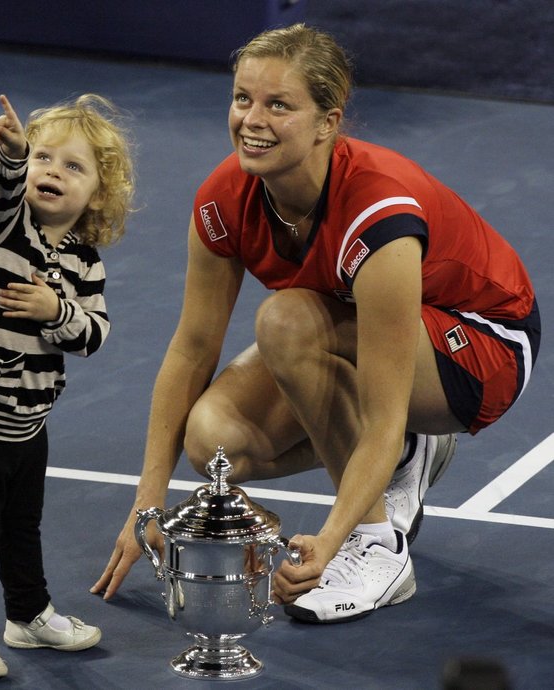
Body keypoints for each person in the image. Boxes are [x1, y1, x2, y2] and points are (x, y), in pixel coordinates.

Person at [92, 23, 539, 625]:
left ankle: (382, 548)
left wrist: (331, 541)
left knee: (286, 321)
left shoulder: (378, 212)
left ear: (328, 122)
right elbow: (192, 349)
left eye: (280, 105)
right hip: (371, 333)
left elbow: (382, 411)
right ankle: (413, 453)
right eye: (243, 98)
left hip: (482, 346)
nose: (253, 119)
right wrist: (148, 502)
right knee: (214, 440)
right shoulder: (224, 200)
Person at [0, 93, 134, 679]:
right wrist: (15, 155)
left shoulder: (85, 262)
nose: (53, 171)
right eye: (45, 158)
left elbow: (93, 334)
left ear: (97, 193)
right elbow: (4, 187)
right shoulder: (0, 226)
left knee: (23, 525)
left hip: (29, 424)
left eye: (74, 166)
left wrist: (54, 309)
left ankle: (27, 615)